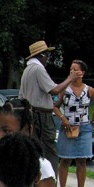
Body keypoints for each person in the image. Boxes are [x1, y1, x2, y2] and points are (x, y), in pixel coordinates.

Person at [19, 40, 79, 176]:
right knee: (50, 151)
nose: (47, 58)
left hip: (30, 114)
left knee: (33, 149)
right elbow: (54, 90)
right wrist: (70, 78)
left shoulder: (27, 70)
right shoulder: (38, 69)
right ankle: (50, 181)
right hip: (41, 116)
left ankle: (34, 182)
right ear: (42, 55)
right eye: (47, 55)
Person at [53, 60, 94, 187]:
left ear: (82, 73)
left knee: (82, 160)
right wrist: (62, 118)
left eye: (75, 69)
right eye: (70, 69)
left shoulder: (88, 90)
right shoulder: (66, 89)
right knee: (65, 159)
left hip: (84, 127)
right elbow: (55, 106)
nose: (72, 71)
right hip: (68, 127)